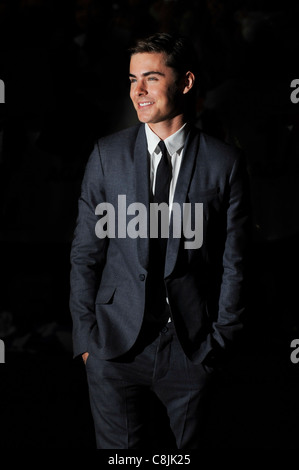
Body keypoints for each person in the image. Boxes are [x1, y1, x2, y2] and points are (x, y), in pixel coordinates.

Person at [69, 32, 251, 449]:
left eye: (151, 78)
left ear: (185, 83)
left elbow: (235, 261)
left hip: (191, 347)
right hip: (113, 348)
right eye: (132, 79)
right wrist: (86, 341)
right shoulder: (105, 155)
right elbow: (85, 254)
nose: (138, 91)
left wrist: (219, 341)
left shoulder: (224, 163)